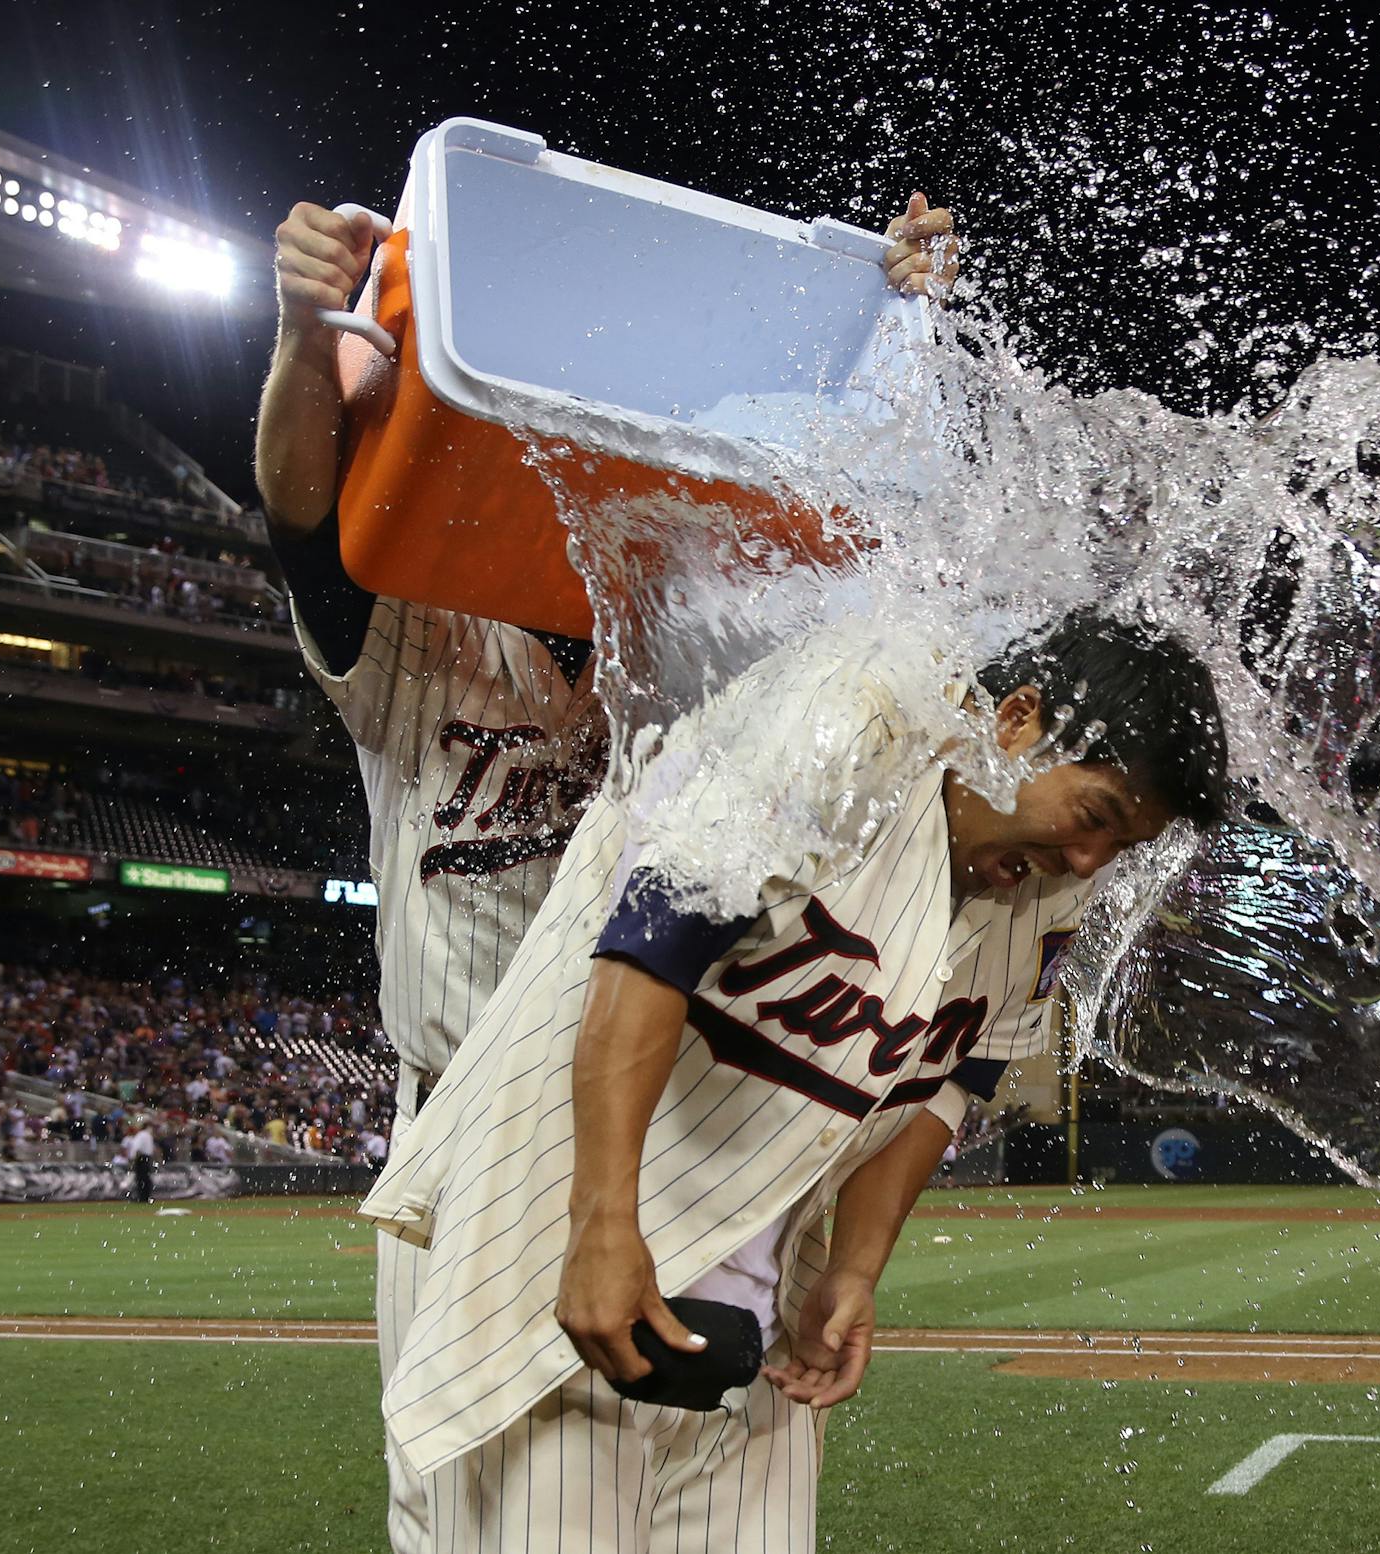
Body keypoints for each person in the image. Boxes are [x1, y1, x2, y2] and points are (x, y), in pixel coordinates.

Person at [256, 189, 959, 1554]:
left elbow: (879, 536)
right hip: (478, 1138)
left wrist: (900, 328)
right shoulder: (412, 627)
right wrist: (303, 330)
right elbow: (298, 512)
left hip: (712, 1143)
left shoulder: (713, 635)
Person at [361, 611, 1226, 1552]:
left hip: (759, 1321)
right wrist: (601, 1225)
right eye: (1094, 818)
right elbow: (644, 956)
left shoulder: (1048, 873)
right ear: (1015, 721)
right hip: (558, 1247)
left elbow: (954, 1074)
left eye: (1121, 845)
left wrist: (856, 1267)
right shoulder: (843, 719)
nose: (1092, 860)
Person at [124, 1114, 157, 1203]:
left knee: (141, 1178)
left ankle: (142, 1197)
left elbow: (137, 1149)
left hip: (141, 1158)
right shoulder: (148, 1135)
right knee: (146, 1178)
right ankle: (146, 1196)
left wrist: (133, 1159)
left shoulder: (141, 1135)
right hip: (147, 1158)